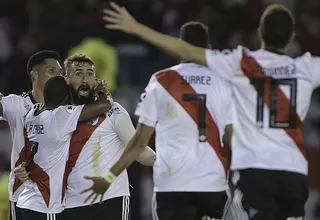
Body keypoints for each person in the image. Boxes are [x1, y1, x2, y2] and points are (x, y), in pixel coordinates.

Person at [103, 3, 316, 220]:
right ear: (291, 36)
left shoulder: (239, 64)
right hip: (289, 170)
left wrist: (137, 28)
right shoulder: (307, 67)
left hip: (243, 172)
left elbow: (185, 50)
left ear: (260, 33)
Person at [83, 21, 233, 220]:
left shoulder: (161, 81)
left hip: (172, 187)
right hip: (213, 185)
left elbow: (139, 142)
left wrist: (109, 177)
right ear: (208, 48)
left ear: (179, 46)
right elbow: (234, 138)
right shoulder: (224, 82)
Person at [15, 54, 156, 220]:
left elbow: (140, 152)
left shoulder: (113, 111)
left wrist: (162, 158)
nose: (85, 79)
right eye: (78, 73)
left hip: (110, 199)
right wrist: (24, 169)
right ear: (65, 79)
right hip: (69, 204)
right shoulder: (56, 116)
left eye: (90, 73)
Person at [16, 75, 112, 220]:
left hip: (24, 201)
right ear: (66, 98)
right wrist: (101, 91)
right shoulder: (60, 116)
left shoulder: (32, 113)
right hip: (45, 205)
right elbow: (104, 105)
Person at [0, 50, 63, 220]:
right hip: (21, 194)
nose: (58, 76)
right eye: (51, 71)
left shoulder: (68, 110)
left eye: (60, 72)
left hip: (57, 196)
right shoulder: (17, 104)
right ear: (35, 75)